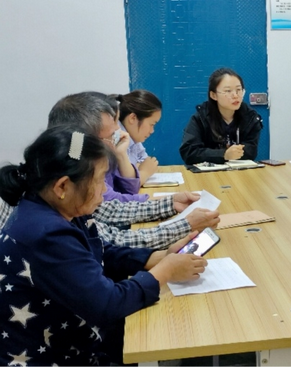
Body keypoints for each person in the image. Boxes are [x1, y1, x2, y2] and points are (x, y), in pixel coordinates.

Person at [0, 126, 208, 365]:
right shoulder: (46, 233)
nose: (104, 189)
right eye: (99, 180)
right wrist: (165, 272)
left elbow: (97, 250)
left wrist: (157, 257)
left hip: (71, 340)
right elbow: (107, 304)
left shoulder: (61, 209)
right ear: (62, 187)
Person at [43, 91, 220, 249]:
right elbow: (116, 242)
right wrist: (184, 227)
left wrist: (170, 204)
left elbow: (108, 211)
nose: (120, 138)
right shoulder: (54, 231)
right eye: (111, 136)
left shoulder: (71, 195)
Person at [49, 92, 147, 203]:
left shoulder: (97, 153)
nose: (118, 131)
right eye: (111, 135)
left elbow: (129, 190)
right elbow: (109, 203)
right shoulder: (76, 165)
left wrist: (121, 155)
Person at [180, 67, 263, 165]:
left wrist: (236, 152)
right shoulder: (201, 118)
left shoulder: (250, 117)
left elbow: (251, 151)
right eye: (228, 91)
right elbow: (189, 152)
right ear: (213, 95)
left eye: (238, 90)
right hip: (208, 172)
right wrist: (223, 154)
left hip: (239, 171)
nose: (235, 95)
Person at [115, 90, 162, 185]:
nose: (152, 131)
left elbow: (145, 161)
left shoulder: (133, 139)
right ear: (132, 118)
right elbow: (127, 185)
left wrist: (138, 171)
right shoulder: (116, 139)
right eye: (151, 124)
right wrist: (144, 173)